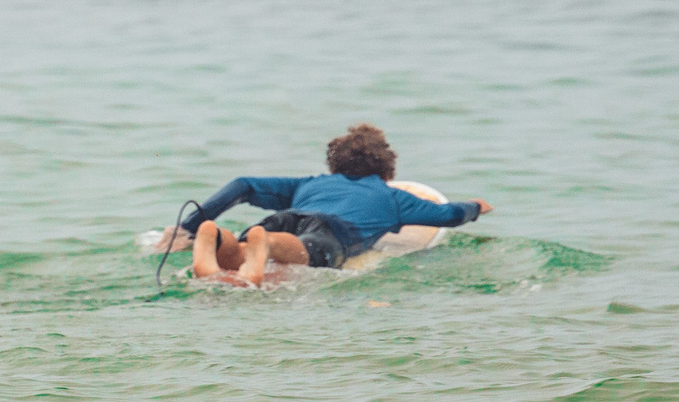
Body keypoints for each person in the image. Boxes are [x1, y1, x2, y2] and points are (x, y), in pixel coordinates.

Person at [162, 122, 492, 286]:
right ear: (386, 170)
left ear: (335, 165)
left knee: (240, 250)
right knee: (299, 249)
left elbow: (243, 185)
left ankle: (214, 238)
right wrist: (475, 207)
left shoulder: (310, 184)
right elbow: (448, 215)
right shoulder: (393, 197)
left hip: (285, 216)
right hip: (330, 233)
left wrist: (187, 226)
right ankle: (266, 247)